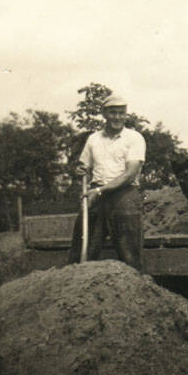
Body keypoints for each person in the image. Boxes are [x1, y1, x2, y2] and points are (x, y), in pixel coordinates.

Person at [68, 94, 146, 270]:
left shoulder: (134, 138)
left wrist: (102, 189)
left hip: (124, 194)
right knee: (82, 246)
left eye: (121, 113)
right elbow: (83, 165)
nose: (117, 117)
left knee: (129, 253)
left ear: (126, 115)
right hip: (97, 194)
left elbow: (130, 174)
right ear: (104, 114)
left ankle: (134, 288)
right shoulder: (93, 139)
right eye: (113, 113)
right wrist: (79, 169)